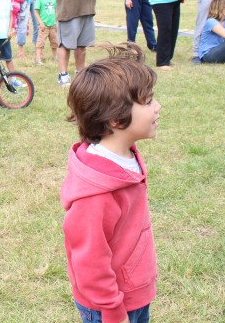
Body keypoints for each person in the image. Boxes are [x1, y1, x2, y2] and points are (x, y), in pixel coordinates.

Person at [61, 43, 158, 323]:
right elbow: (90, 263)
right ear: (116, 119)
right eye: (149, 101)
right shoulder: (97, 194)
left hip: (132, 294)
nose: (158, 106)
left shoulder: (125, 158)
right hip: (112, 307)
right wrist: (114, 313)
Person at [33, 0, 58, 66]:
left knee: (55, 42)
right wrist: (41, 22)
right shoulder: (39, 0)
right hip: (44, 26)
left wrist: (56, 22)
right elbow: (36, 12)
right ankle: (38, 59)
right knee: (40, 42)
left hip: (53, 25)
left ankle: (55, 56)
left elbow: (56, 11)